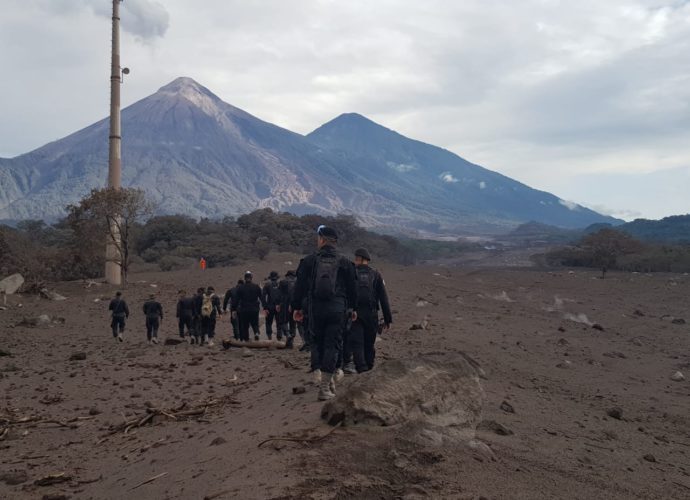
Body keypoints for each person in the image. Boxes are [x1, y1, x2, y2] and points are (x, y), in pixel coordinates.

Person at [292, 225, 357, 401]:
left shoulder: (309, 261)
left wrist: (297, 308)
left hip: (315, 310)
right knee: (333, 346)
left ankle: (326, 383)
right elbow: (353, 289)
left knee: (318, 344)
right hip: (337, 309)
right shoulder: (345, 262)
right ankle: (326, 386)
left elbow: (299, 287)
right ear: (335, 242)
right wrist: (353, 308)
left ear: (321, 240)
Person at [344, 248, 392, 374]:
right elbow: (383, 299)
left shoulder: (350, 274)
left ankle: (361, 368)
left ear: (359, 259)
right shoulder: (376, 275)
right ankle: (369, 367)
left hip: (355, 314)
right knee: (369, 343)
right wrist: (388, 319)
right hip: (372, 314)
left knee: (357, 343)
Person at [232, 271, 263, 342]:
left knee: (245, 325)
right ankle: (256, 333)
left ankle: (246, 340)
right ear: (251, 278)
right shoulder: (256, 286)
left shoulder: (240, 288)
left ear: (245, 278)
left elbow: (236, 300)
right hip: (254, 308)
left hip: (244, 309)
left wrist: (234, 309)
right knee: (255, 323)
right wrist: (265, 307)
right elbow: (261, 298)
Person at [262, 271, 282, 340]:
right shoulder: (280, 284)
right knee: (279, 322)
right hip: (279, 306)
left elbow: (263, 296)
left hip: (269, 306)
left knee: (268, 323)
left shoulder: (267, 285)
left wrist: (265, 307)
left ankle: (269, 337)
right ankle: (279, 337)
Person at [277, 278, 294, 348]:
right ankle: (290, 341)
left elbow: (277, 299)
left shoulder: (279, 291)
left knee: (283, 322)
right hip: (289, 308)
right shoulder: (290, 291)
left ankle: (288, 335)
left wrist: (277, 305)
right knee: (292, 324)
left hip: (283, 307)